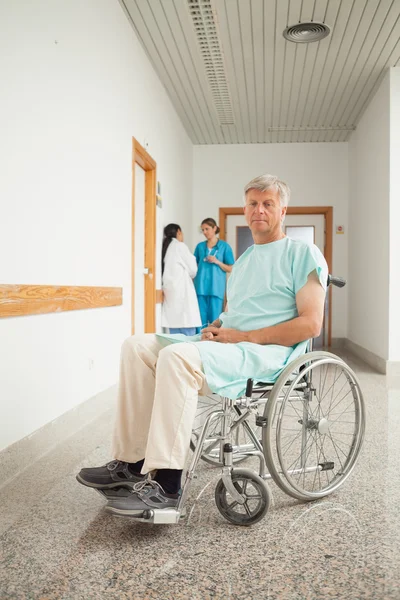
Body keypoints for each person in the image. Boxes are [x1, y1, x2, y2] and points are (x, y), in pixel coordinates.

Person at [76, 174, 328, 516]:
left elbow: (310, 323)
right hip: (229, 342)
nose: (259, 210)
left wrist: (243, 336)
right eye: (253, 203)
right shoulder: (242, 262)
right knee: (135, 346)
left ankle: (167, 483)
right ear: (245, 209)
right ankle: (131, 463)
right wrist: (219, 325)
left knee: (176, 357)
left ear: (283, 210)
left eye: (268, 203)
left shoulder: (302, 253)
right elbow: (237, 312)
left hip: (266, 352)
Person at [161, 223, 201, 336]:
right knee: (187, 334)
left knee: (174, 335)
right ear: (178, 232)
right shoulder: (180, 246)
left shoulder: (167, 247)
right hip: (182, 294)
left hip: (170, 293)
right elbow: (193, 269)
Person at [193, 218, 235, 327]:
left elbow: (231, 268)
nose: (205, 232)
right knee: (199, 321)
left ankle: (212, 342)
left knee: (214, 322)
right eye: (203, 230)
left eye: (207, 229)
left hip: (216, 289)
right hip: (200, 288)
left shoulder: (224, 247)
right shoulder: (200, 247)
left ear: (214, 228)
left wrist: (217, 262)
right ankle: (198, 342)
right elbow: (194, 266)